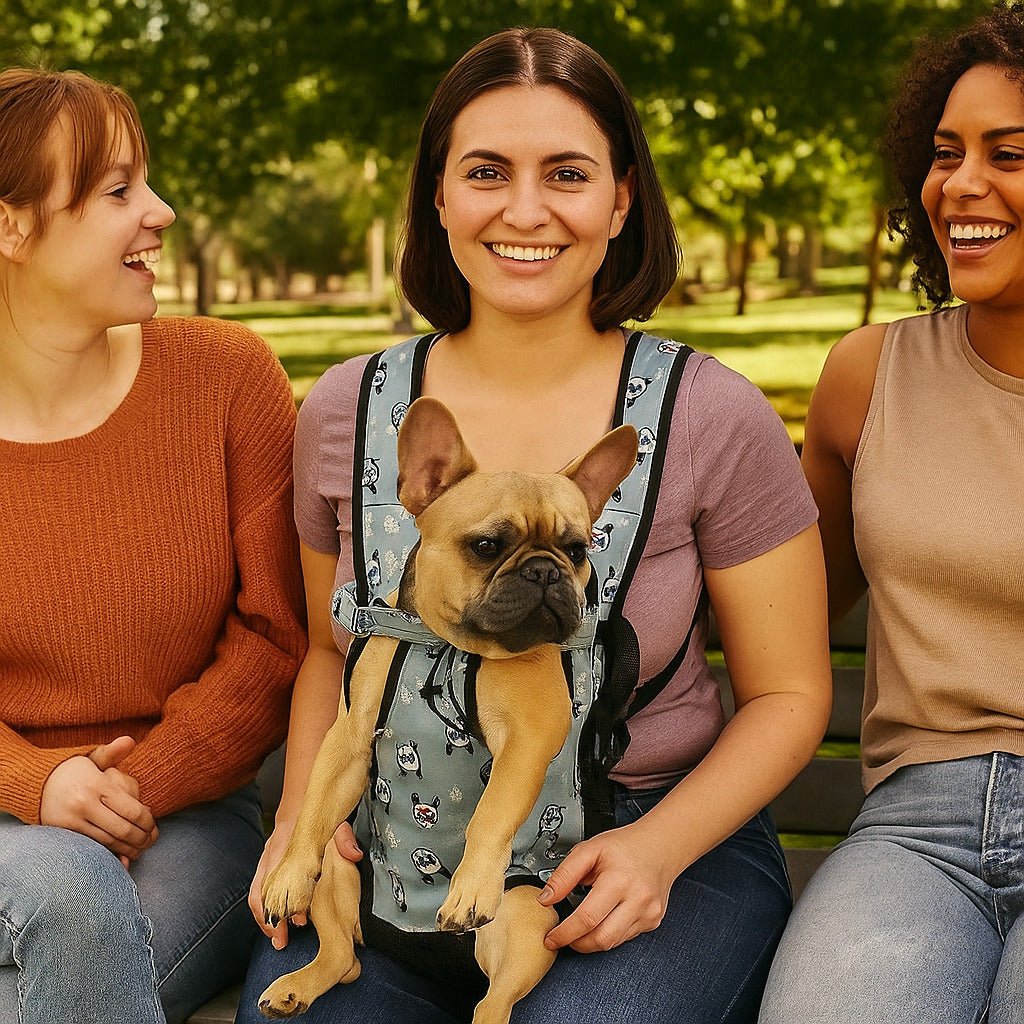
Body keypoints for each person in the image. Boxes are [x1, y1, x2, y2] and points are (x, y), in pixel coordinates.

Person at [240, 26, 831, 1024]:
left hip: (642, 837)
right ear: (436, 196)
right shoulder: (348, 411)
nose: (525, 209)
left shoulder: (707, 413)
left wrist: (658, 848)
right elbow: (323, 654)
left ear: (621, 198)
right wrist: (304, 817)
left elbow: (789, 692)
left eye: (566, 172)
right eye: (484, 171)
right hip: (388, 842)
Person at [0, 68, 306, 1024]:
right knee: (58, 883)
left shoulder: (224, 379)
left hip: (178, 823)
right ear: (10, 226)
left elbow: (276, 637)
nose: (161, 213)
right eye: (118, 190)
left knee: (69, 903)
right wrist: (36, 782)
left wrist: (126, 790)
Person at [758, 6, 1024, 1023]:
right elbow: (786, 613)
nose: (959, 184)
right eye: (945, 152)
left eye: (1008, 154)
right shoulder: (868, 377)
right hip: (916, 828)